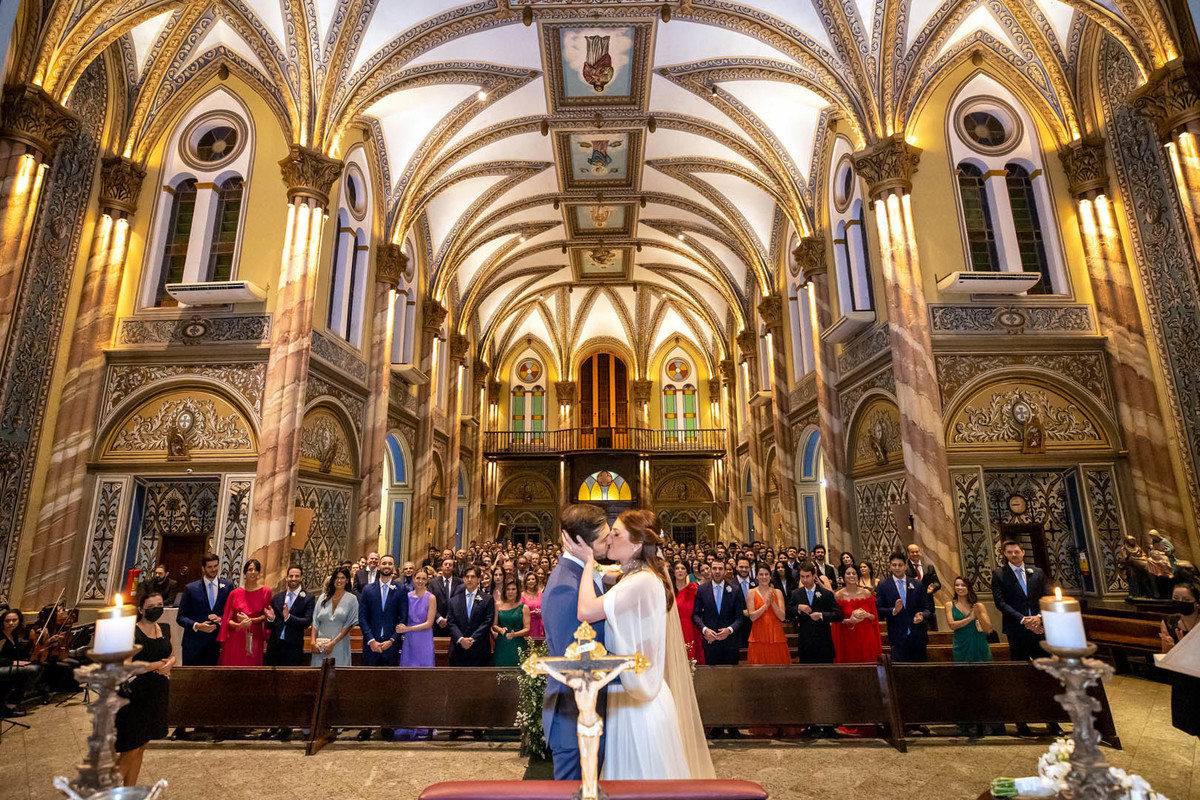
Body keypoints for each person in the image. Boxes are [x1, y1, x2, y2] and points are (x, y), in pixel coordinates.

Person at [569, 509, 713, 780]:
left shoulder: (640, 582)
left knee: (641, 779)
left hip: (640, 704)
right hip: (634, 693)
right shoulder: (641, 575)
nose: (609, 539)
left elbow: (586, 610)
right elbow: (614, 574)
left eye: (616, 534)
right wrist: (600, 568)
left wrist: (588, 562)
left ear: (636, 544)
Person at [543, 503, 612, 780]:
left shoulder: (580, 574)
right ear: (582, 542)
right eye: (604, 538)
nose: (609, 542)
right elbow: (575, 663)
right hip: (574, 718)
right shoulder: (565, 586)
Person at [114, 592, 174, 786]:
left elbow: (171, 654)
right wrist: (157, 665)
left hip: (156, 693)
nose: (156, 608)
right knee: (130, 748)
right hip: (135, 694)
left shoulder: (164, 628)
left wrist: (170, 664)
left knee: (141, 747)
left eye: (160, 604)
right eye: (151, 605)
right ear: (141, 609)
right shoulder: (132, 632)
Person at [832, 564, 881, 738]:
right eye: (848, 573)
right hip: (848, 640)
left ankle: (871, 718)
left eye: (854, 573)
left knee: (867, 677)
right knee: (852, 677)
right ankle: (852, 717)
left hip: (866, 638)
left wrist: (867, 616)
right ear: (843, 577)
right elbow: (836, 622)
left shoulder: (866, 594)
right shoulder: (838, 595)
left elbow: (875, 617)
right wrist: (850, 619)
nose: (851, 575)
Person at [946, 576, 995, 738]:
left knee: (983, 685)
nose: (960, 588)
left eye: (963, 585)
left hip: (979, 645)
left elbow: (988, 629)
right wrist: (969, 618)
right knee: (965, 686)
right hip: (961, 646)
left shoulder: (978, 605)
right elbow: (952, 625)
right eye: (957, 585)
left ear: (969, 588)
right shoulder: (949, 605)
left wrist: (979, 614)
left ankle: (986, 721)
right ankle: (970, 723)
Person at [396, 568, 438, 740]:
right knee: (409, 680)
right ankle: (408, 720)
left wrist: (408, 629)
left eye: (423, 578)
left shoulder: (431, 597)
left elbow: (429, 623)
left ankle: (424, 721)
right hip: (410, 643)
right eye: (417, 578)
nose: (420, 581)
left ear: (427, 580)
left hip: (424, 640)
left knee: (425, 682)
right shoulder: (406, 597)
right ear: (413, 579)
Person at [1159, 581, 1200, 738]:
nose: (1180, 603)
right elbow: (1165, 657)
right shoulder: (1169, 622)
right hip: (1184, 682)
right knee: (1193, 725)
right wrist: (1170, 648)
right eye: (1176, 598)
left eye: (1186, 600)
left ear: (1197, 603)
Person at [176, 554, 231, 666]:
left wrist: (220, 619)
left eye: (215, 566)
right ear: (203, 568)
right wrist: (197, 625)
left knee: (210, 680)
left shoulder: (227, 587)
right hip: (193, 643)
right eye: (210, 567)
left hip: (215, 643)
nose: (213, 570)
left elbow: (230, 613)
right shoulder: (191, 588)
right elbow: (180, 617)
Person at [692, 558, 745, 671]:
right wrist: (705, 630)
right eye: (714, 568)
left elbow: (740, 618)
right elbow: (696, 615)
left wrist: (729, 630)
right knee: (712, 680)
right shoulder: (702, 589)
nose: (717, 571)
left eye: (720, 569)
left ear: (725, 571)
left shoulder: (735, 590)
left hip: (730, 643)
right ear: (710, 570)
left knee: (731, 679)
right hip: (710, 641)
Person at [876, 551, 930, 663]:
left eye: (900, 565)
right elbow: (878, 609)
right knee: (901, 673)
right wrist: (893, 611)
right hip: (897, 637)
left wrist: (922, 615)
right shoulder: (883, 585)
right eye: (894, 565)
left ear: (905, 566)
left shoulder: (917, 584)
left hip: (918, 636)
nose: (897, 568)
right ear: (890, 566)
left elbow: (927, 609)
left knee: (921, 672)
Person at [217, 559, 272, 666]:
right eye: (250, 569)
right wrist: (239, 624)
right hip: (236, 636)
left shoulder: (266, 591)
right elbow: (227, 620)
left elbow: (266, 615)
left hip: (255, 635)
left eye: (256, 570)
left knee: (252, 665)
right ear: (245, 572)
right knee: (234, 664)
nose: (253, 572)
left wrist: (251, 620)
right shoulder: (234, 593)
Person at [359, 555, 408, 667]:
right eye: (384, 563)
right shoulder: (368, 589)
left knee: (390, 681)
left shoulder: (400, 589)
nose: (387, 566)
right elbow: (362, 617)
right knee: (369, 680)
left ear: (394, 567)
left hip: (391, 645)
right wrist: (371, 640)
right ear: (379, 566)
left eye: (390, 564)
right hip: (371, 644)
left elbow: (403, 618)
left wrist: (392, 640)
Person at [790, 561, 841, 664]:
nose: (804, 580)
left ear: (814, 576)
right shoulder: (796, 594)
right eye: (802, 577)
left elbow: (838, 615)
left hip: (824, 642)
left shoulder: (826, 593)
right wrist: (798, 608)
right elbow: (788, 612)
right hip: (805, 642)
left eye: (807, 576)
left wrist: (821, 615)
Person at [264, 566, 316, 667]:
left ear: (301, 578)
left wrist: (289, 617)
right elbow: (268, 626)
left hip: (293, 647)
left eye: (297, 576)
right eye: (291, 576)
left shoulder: (308, 598)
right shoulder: (277, 597)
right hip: (275, 646)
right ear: (286, 578)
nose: (293, 578)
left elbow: (306, 622)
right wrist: (271, 619)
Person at [312, 566, 359, 666]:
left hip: (339, 643)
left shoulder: (352, 599)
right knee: (319, 675)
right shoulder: (322, 597)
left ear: (347, 580)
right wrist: (312, 642)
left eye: (342, 578)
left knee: (338, 675)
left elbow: (350, 624)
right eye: (337, 577)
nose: (339, 580)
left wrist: (333, 643)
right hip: (321, 643)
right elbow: (315, 621)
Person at [448, 566, 493, 667]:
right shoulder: (453, 600)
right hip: (458, 649)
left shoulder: (487, 599)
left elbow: (488, 621)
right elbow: (451, 623)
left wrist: (472, 639)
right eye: (467, 577)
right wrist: (461, 639)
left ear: (478, 579)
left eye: (472, 577)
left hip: (479, 648)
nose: (469, 579)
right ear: (463, 579)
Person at [1, 609, 39, 718]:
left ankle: (9, 707)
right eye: (7, 621)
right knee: (32, 670)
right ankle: (8, 708)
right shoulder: (1, 637)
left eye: (14, 620)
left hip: (10, 666)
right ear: (2, 622)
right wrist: (14, 662)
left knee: (30, 672)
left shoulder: (16, 636)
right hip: (3, 666)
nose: (11, 623)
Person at [672, 560, 705, 666]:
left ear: (687, 572)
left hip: (689, 628)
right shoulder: (668, 591)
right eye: (677, 569)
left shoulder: (693, 589)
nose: (680, 571)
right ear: (673, 572)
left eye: (683, 568)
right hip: (673, 628)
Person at [492, 579, 530, 667]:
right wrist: (500, 629)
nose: (510, 592)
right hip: (502, 644)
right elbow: (494, 625)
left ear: (518, 591)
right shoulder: (498, 605)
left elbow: (527, 629)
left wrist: (515, 634)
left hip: (517, 644)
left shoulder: (524, 607)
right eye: (508, 589)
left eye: (513, 589)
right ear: (504, 591)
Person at [907, 543, 941, 631]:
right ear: (908, 554)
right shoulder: (904, 568)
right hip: (912, 603)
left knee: (932, 632)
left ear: (920, 552)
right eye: (912, 552)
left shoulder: (928, 566)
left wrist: (933, 588)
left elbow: (937, 583)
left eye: (917, 552)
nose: (915, 554)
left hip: (928, 603)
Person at [431, 557, 464, 637]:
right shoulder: (433, 582)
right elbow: (430, 604)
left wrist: (449, 619)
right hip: (437, 624)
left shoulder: (460, 582)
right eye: (446, 564)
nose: (448, 566)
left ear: (453, 568)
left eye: (450, 565)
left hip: (455, 623)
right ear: (442, 567)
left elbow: (461, 603)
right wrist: (439, 618)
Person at [521, 572, 544, 638]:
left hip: (540, 625)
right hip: (528, 625)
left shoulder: (541, 595)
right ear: (525, 582)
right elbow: (519, 613)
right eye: (528, 580)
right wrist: (530, 613)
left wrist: (541, 611)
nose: (531, 581)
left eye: (533, 579)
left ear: (536, 581)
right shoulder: (522, 596)